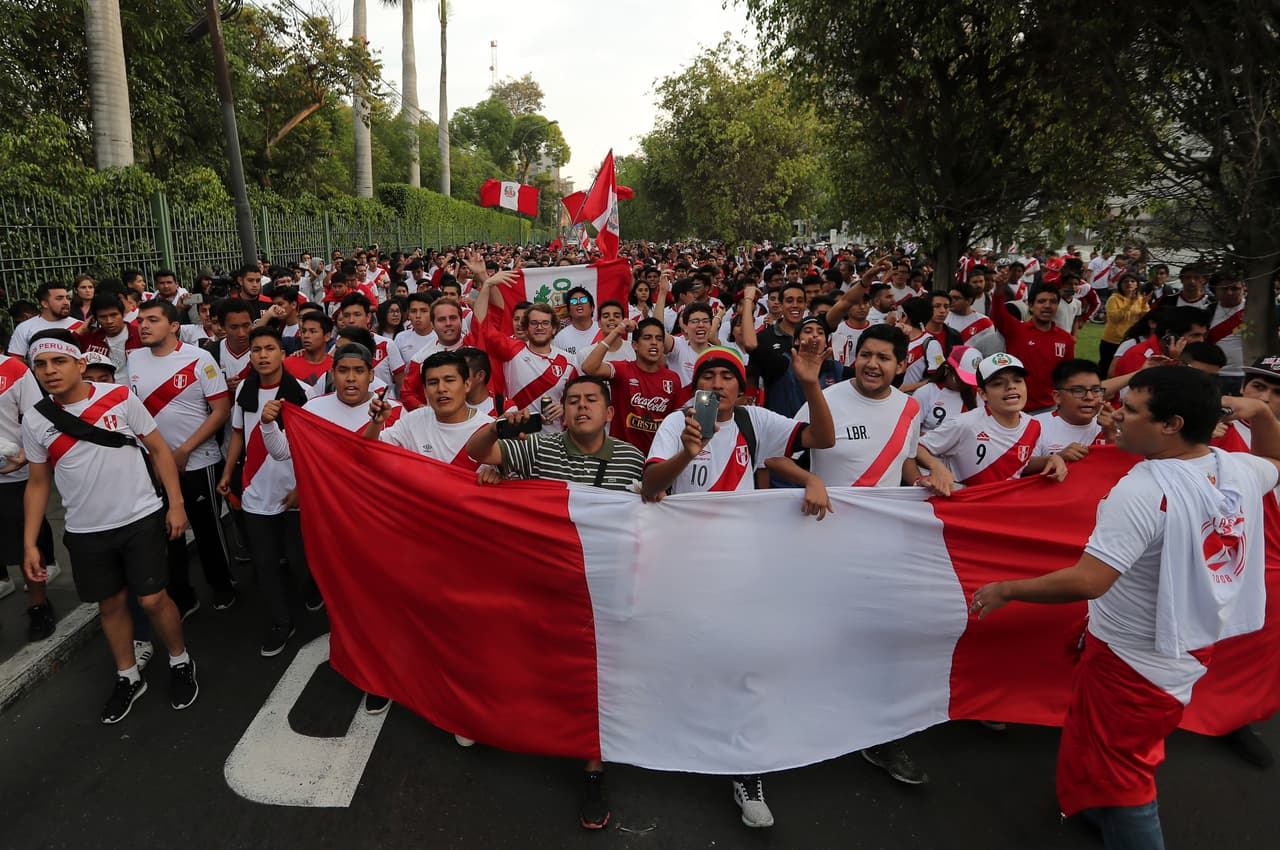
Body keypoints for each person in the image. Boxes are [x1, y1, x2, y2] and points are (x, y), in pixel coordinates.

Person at [969, 367, 1280, 850]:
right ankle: (1096, 811)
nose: (1117, 414)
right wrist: (1260, 412)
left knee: (1127, 777)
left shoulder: (1144, 489)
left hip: (1134, 662)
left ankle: (1122, 823)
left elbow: (1090, 580)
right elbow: (1275, 457)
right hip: (1186, 644)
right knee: (1100, 749)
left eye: (1132, 411)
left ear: (1172, 424)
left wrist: (1007, 589)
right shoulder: (1237, 467)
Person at [641, 343, 835, 829]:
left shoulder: (756, 421)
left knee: (745, 662)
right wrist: (685, 453)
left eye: (727, 376)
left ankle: (746, 769)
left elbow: (823, 439)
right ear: (696, 385)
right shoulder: (676, 423)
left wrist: (809, 383)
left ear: (741, 387)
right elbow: (649, 488)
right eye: (708, 376)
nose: (717, 384)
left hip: (743, 567)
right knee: (690, 653)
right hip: (684, 565)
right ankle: (680, 735)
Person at [466, 375, 648, 831]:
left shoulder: (634, 459)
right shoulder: (540, 449)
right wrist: (501, 430)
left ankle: (593, 768)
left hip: (607, 591)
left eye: (591, 400)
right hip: (546, 586)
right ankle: (519, 730)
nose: (581, 407)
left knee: (597, 681)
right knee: (540, 666)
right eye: (573, 401)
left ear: (609, 412)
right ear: (562, 412)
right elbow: (478, 453)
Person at [20, 329, 197, 723]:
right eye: (41, 364)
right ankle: (128, 675)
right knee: (111, 605)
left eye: (59, 361)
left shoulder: (119, 398)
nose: (50, 371)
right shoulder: (34, 420)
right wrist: (30, 542)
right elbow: (37, 483)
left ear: (80, 364)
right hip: (85, 531)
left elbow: (158, 450)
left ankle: (179, 659)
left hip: (140, 518)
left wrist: (176, 504)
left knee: (152, 600)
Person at [130, 299, 236, 615]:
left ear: (174, 325)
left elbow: (221, 410)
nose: (143, 326)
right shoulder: (134, 360)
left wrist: (186, 448)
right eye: (140, 321)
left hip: (199, 462)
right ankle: (181, 595)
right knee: (167, 535)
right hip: (155, 467)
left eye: (152, 320)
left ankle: (222, 586)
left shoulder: (199, 359)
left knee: (207, 531)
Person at [216, 327, 317, 658]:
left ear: (282, 354)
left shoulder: (304, 393)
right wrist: (228, 472)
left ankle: (311, 588)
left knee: (301, 557)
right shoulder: (245, 389)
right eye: (256, 349)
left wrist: (303, 487)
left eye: (269, 348)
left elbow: (315, 451)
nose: (261, 355)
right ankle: (280, 621)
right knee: (264, 562)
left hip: (293, 493)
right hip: (255, 491)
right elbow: (236, 434)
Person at [916, 353, 1068, 493]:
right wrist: (936, 466)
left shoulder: (1033, 425)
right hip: (965, 506)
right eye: (998, 383)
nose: (1011, 387)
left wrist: (1051, 459)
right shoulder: (965, 424)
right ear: (983, 394)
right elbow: (917, 446)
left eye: (1017, 380)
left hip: (1002, 508)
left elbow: (1016, 463)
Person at [0, 349, 58, 640]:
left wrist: (26, 457)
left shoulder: (13, 370)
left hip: (13, 474)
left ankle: (39, 605)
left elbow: (38, 417)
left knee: (25, 543)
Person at [580, 317, 682, 453]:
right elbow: (589, 367)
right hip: (621, 457)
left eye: (658, 339)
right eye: (647, 338)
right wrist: (616, 332)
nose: (654, 343)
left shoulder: (673, 378)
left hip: (656, 457)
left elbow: (676, 422)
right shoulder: (623, 370)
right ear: (634, 345)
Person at [989, 282, 1077, 413]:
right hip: (1014, 404)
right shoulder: (1016, 330)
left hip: (1048, 408)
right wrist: (1000, 287)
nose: (1047, 306)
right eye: (1041, 301)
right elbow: (997, 314)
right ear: (1031, 306)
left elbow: (1067, 377)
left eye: (1052, 301)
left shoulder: (1066, 340)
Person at [1033, 360, 1118, 459]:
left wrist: (1112, 437)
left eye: (1096, 390)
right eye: (1078, 391)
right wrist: (1057, 458)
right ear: (1057, 396)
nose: (1089, 397)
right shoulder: (1036, 426)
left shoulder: (1112, 428)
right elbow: (1020, 468)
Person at [914, 345, 982, 433]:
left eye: (971, 381)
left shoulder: (978, 394)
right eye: (960, 380)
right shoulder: (925, 393)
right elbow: (911, 433)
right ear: (947, 369)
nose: (966, 385)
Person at [6, 282, 85, 357]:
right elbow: (16, 360)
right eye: (59, 298)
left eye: (68, 298)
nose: (66, 302)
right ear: (45, 304)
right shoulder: (24, 328)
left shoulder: (81, 326)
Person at [1100, 273, 1150, 377]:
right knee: (1107, 370)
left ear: (1137, 285)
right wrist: (1129, 304)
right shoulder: (1114, 299)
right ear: (1120, 284)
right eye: (1126, 281)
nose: (1129, 284)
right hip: (1112, 341)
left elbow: (1146, 320)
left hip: (1131, 341)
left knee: (1126, 369)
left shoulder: (1140, 299)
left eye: (1132, 281)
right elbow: (1114, 318)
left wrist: (1145, 304)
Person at [79, 293, 142, 374]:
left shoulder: (140, 334)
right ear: (95, 319)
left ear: (123, 314)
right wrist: (79, 332)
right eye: (103, 317)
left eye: (114, 315)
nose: (109, 321)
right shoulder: (89, 339)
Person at [1206, 271, 1246, 395]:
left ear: (1244, 287)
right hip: (1215, 375)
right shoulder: (1207, 312)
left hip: (1246, 375)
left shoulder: (1254, 312)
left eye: (1235, 288)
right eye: (1224, 289)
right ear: (1215, 290)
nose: (1229, 293)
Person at [283, 311, 334, 387]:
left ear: (327, 336)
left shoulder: (334, 366)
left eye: (313, 331)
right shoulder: (286, 364)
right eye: (303, 331)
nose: (306, 336)